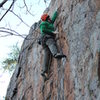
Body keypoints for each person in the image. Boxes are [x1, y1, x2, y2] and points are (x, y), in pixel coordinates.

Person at [39, 10, 66, 78]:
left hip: (43, 40)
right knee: (51, 43)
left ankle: (44, 71)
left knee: (47, 54)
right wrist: (52, 32)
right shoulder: (44, 23)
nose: (50, 18)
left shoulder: (49, 23)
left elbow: (53, 19)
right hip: (46, 37)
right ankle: (55, 54)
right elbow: (43, 30)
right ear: (46, 19)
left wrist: (56, 12)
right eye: (49, 17)